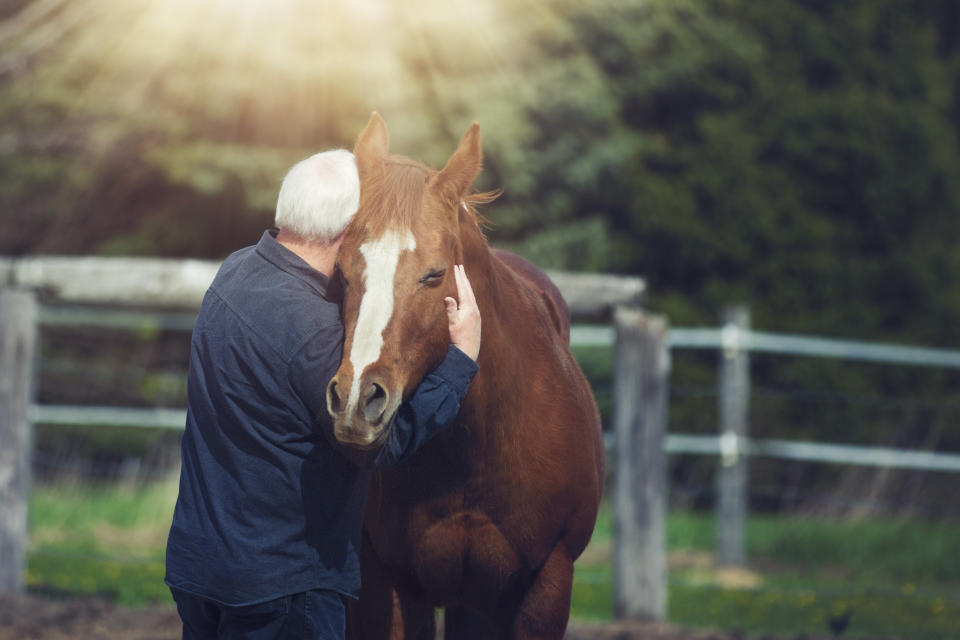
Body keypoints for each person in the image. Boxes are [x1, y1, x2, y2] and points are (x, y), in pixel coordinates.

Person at [164, 148, 481, 639]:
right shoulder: (313, 332)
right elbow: (380, 444)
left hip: (200, 565)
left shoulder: (235, 271)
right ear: (350, 223)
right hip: (283, 584)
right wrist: (460, 363)